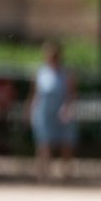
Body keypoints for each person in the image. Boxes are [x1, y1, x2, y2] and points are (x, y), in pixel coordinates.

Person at [28, 40, 77, 181]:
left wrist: (67, 108)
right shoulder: (40, 73)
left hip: (62, 111)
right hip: (43, 111)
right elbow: (34, 94)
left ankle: (66, 173)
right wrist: (30, 110)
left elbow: (72, 93)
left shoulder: (66, 73)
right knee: (43, 143)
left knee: (66, 143)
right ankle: (43, 174)